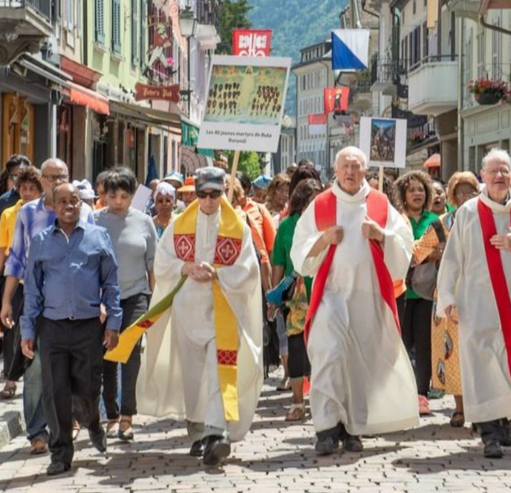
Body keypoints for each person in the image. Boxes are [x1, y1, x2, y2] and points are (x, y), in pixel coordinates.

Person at [106, 166, 263, 466]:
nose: (208, 201)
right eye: (202, 195)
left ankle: (217, 434)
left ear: (220, 193)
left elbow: (248, 269)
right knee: (193, 376)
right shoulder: (179, 225)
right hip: (187, 311)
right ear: (195, 194)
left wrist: (219, 272)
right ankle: (198, 430)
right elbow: (163, 262)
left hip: (224, 311)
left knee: (220, 370)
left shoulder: (237, 226)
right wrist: (187, 267)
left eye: (215, 194)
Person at [290, 147, 418, 455]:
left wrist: (381, 235)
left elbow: (405, 246)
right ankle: (326, 427)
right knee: (329, 356)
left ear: (366, 171)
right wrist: (322, 240)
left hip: (368, 296)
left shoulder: (380, 203)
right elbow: (299, 252)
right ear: (335, 170)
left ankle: (353, 427)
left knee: (360, 363)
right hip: (330, 295)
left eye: (356, 167)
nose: (350, 172)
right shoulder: (321, 205)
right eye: (345, 166)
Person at [436, 148, 511, 458]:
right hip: (476, 304)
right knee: (481, 367)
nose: (501, 177)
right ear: (483, 176)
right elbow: (452, 259)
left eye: (506, 171)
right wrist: (447, 298)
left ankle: (504, 418)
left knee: (508, 364)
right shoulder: (468, 213)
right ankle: (489, 432)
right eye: (494, 172)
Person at [20, 183, 120, 476]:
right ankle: (61, 452)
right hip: (51, 328)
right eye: (61, 200)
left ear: (81, 204)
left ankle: (92, 421)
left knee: (88, 387)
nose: (68, 205)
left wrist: (113, 322)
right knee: (55, 391)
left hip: (88, 326)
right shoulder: (40, 241)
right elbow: (33, 292)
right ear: (52, 205)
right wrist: (28, 330)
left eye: (73, 200)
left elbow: (111, 284)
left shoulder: (98, 237)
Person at [1, 158, 92, 455]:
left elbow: (95, 256)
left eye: (61, 175)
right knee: (36, 366)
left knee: (70, 364)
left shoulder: (85, 211)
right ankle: (37, 432)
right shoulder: (27, 213)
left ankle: (66, 420)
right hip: (35, 299)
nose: (54, 181)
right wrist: (6, 300)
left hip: (75, 300)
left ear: (70, 176)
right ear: (42, 181)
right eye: (50, 177)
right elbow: (15, 259)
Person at [412, 171, 480, 428]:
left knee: (476, 352)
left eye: (470, 192)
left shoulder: (485, 220)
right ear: (453, 196)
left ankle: (478, 409)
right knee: (452, 355)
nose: (465, 197)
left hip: (478, 295)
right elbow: (416, 252)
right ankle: (460, 408)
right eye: (460, 193)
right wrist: (435, 254)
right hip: (448, 297)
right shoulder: (441, 223)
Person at [95, 168, 157, 442]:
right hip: (103, 298)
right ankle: (111, 414)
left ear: (133, 196)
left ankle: (127, 417)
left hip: (136, 295)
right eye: (113, 195)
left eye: (124, 196)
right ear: (104, 195)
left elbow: (152, 266)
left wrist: (155, 300)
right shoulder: (95, 221)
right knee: (107, 354)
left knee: (130, 352)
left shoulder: (144, 222)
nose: (118, 201)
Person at [270, 178, 323, 421]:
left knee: (323, 346)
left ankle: (322, 399)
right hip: (296, 293)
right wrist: (274, 294)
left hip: (324, 290)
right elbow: (279, 261)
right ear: (302, 201)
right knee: (296, 346)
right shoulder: (286, 226)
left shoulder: (327, 224)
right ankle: (297, 401)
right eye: (314, 199)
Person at [395, 170, 439, 415]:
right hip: (399, 291)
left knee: (424, 344)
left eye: (421, 189)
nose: (417, 194)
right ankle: (401, 392)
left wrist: (429, 253)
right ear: (403, 193)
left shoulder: (434, 219)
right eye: (411, 189)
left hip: (425, 292)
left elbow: (442, 250)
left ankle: (421, 394)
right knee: (401, 343)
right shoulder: (396, 219)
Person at [0, 166, 42, 400]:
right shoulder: (9, 214)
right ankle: (12, 378)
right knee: (14, 331)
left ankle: (19, 378)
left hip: (41, 285)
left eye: (32, 189)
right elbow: (6, 251)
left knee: (27, 332)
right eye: (23, 188)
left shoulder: (48, 213)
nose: (27, 193)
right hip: (17, 280)